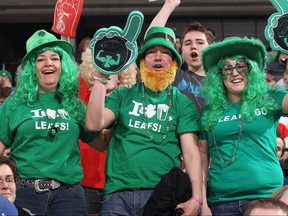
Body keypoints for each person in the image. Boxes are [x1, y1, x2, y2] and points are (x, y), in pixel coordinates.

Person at [86, 26, 202, 216]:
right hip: (117, 194)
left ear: (173, 62)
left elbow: (191, 153)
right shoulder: (123, 94)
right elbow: (93, 124)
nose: (158, 56)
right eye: (151, 52)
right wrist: (101, 76)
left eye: (165, 53)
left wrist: (196, 198)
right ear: (142, 61)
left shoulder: (182, 102)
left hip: (162, 194)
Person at [0, 29, 105, 215]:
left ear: (63, 64)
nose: (48, 63)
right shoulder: (13, 104)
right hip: (25, 192)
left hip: (69, 196)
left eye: (55, 58)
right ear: (32, 68)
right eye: (40, 59)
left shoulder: (74, 104)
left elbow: (101, 143)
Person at [199, 36, 288, 215]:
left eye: (241, 67)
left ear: (252, 71)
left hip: (267, 199)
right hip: (222, 202)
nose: (234, 73)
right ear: (219, 76)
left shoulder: (269, 98)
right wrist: (202, 203)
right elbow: (201, 158)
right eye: (227, 69)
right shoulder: (209, 112)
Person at [78, 47, 138, 215]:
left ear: (123, 73)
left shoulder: (131, 103)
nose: (108, 70)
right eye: (102, 65)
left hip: (120, 184)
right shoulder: (83, 96)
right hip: (86, 181)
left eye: (114, 66)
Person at [147, 0, 213, 116]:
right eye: (187, 43)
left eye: (199, 42)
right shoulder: (174, 76)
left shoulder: (222, 79)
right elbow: (151, 40)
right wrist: (169, 5)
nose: (193, 46)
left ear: (211, 49)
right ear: (181, 53)